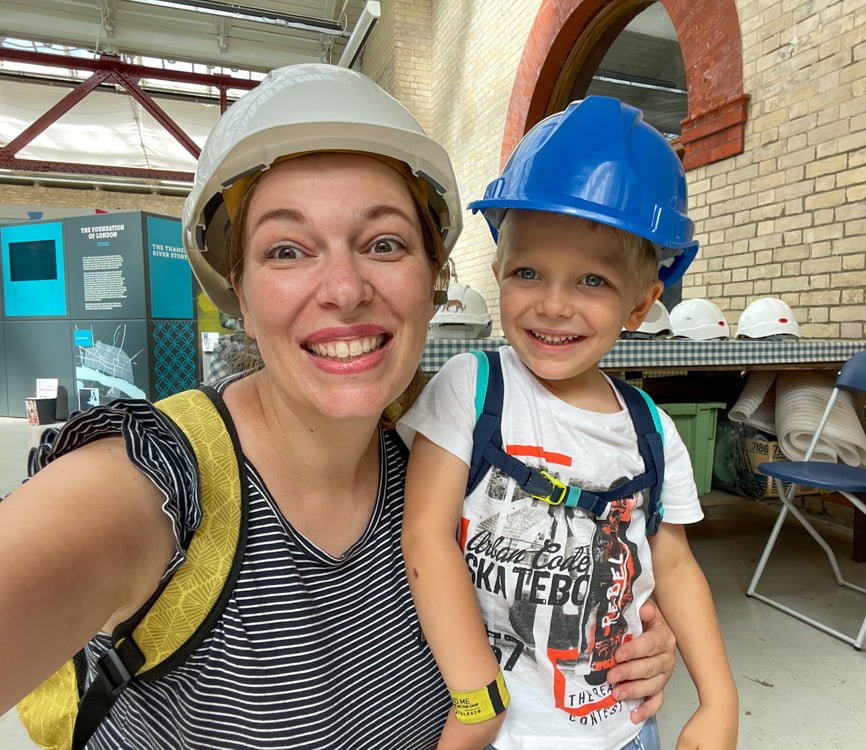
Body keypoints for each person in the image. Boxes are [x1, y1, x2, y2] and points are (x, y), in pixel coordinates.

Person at [0, 65, 678, 749]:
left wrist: (634, 643)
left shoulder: (448, 474)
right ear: (239, 289)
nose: (345, 288)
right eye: (287, 249)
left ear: (434, 280)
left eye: (384, 243)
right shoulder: (159, 483)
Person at [399, 96, 739, 750]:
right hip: (502, 734)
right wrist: (476, 705)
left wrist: (719, 698)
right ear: (497, 271)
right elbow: (425, 538)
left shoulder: (650, 432)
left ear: (641, 302)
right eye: (528, 272)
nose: (553, 304)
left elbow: (674, 565)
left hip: (623, 731)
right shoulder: (473, 391)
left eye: (591, 281)